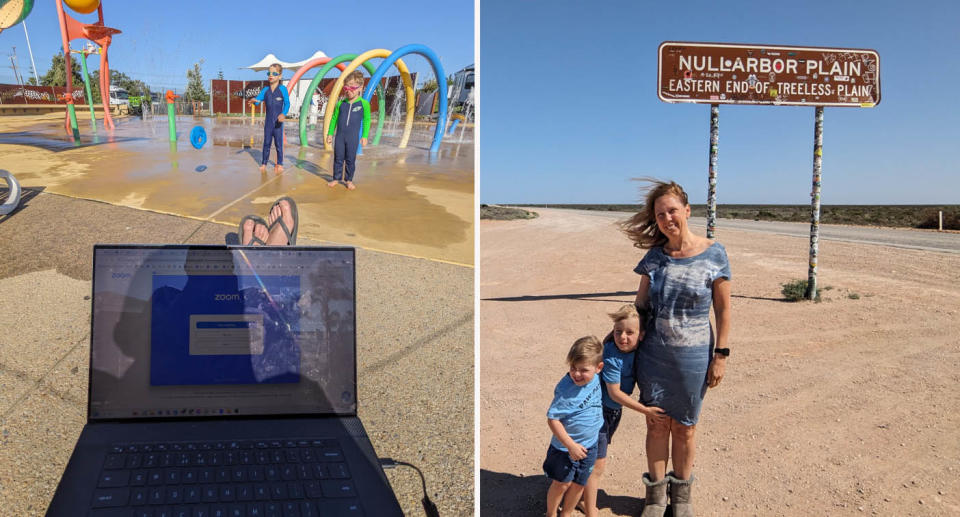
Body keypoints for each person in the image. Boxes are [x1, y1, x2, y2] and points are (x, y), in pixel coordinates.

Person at [619, 180, 731, 517]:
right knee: (656, 424)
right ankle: (654, 497)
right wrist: (619, 339)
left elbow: (723, 310)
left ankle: (681, 498)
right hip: (653, 356)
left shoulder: (715, 253)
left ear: (687, 211)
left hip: (694, 358)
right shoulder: (654, 258)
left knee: (685, 427)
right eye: (660, 214)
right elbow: (639, 307)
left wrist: (721, 356)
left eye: (672, 210)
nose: (667, 218)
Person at [583, 304, 666, 516]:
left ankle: (577, 492)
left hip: (611, 413)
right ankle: (589, 508)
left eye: (630, 332)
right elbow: (615, 393)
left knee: (592, 457)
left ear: (641, 335)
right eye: (618, 332)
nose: (623, 337)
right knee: (597, 464)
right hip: (597, 413)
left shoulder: (637, 349)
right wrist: (646, 410)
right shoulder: (612, 356)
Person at [543, 336, 604, 517]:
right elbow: (552, 419)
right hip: (564, 449)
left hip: (590, 445)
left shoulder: (595, 379)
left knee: (579, 484)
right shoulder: (566, 389)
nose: (576, 374)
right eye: (572, 368)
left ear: (598, 368)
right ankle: (551, 513)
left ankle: (566, 513)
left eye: (583, 370)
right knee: (562, 484)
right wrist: (570, 445)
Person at [325, 70, 371, 190]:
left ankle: (349, 180)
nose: (348, 90)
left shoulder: (363, 104)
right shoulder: (341, 103)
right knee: (338, 158)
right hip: (340, 136)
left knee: (350, 159)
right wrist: (330, 134)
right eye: (346, 87)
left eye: (352, 87)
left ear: (360, 88)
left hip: (352, 138)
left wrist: (365, 136)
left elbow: (367, 121)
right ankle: (336, 178)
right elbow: (334, 119)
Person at [248, 63, 290, 174]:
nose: (271, 75)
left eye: (274, 73)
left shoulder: (282, 89)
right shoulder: (265, 90)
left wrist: (283, 114)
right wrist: (254, 101)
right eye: (269, 73)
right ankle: (264, 163)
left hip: (278, 123)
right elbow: (258, 101)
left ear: (280, 76)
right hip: (268, 123)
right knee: (266, 143)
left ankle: (279, 163)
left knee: (278, 144)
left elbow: (287, 104)